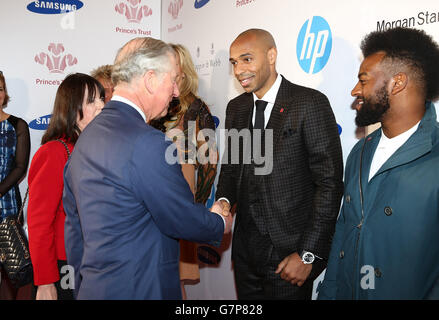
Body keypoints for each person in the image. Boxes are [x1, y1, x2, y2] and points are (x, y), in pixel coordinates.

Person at [63, 37, 233, 300]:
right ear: (151, 79)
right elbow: (180, 217)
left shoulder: (85, 138)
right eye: (173, 80)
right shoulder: (149, 143)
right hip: (141, 290)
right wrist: (218, 222)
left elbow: (75, 232)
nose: (176, 91)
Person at [215, 28, 344, 300]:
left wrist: (308, 254)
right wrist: (224, 199)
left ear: (271, 56)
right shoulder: (236, 108)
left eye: (247, 59)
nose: (239, 70)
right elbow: (232, 167)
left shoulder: (308, 103)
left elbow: (329, 184)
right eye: (234, 62)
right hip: (245, 252)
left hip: (290, 254)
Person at [319, 27, 439, 300]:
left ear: (397, 83)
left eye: (363, 80)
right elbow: (344, 232)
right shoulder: (359, 152)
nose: (354, 90)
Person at [27, 73, 105, 300]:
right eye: (92, 100)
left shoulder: (96, 149)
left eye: (101, 98)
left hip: (93, 263)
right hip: (62, 267)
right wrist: (45, 282)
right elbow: (39, 222)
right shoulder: (54, 152)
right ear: (72, 108)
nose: (101, 105)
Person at [150, 44, 218, 299]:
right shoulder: (154, 102)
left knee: (175, 276)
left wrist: (197, 204)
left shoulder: (195, 108)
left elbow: (211, 158)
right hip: (151, 189)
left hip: (181, 188)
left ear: (184, 70)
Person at [0, 71, 31, 299]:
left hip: (7, 208)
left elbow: (20, 167)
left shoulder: (17, 125)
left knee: (12, 273)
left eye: (0, 89)